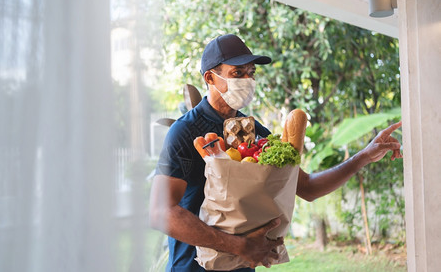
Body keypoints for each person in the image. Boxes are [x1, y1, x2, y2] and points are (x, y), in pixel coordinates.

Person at [149, 34, 402, 271]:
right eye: (237, 73)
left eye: (251, 73)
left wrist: (365, 156)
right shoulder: (185, 131)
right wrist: (239, 245)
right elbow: (162, 212)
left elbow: (307, 187)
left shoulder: (255, 131)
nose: (247, 80)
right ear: (210, 78)